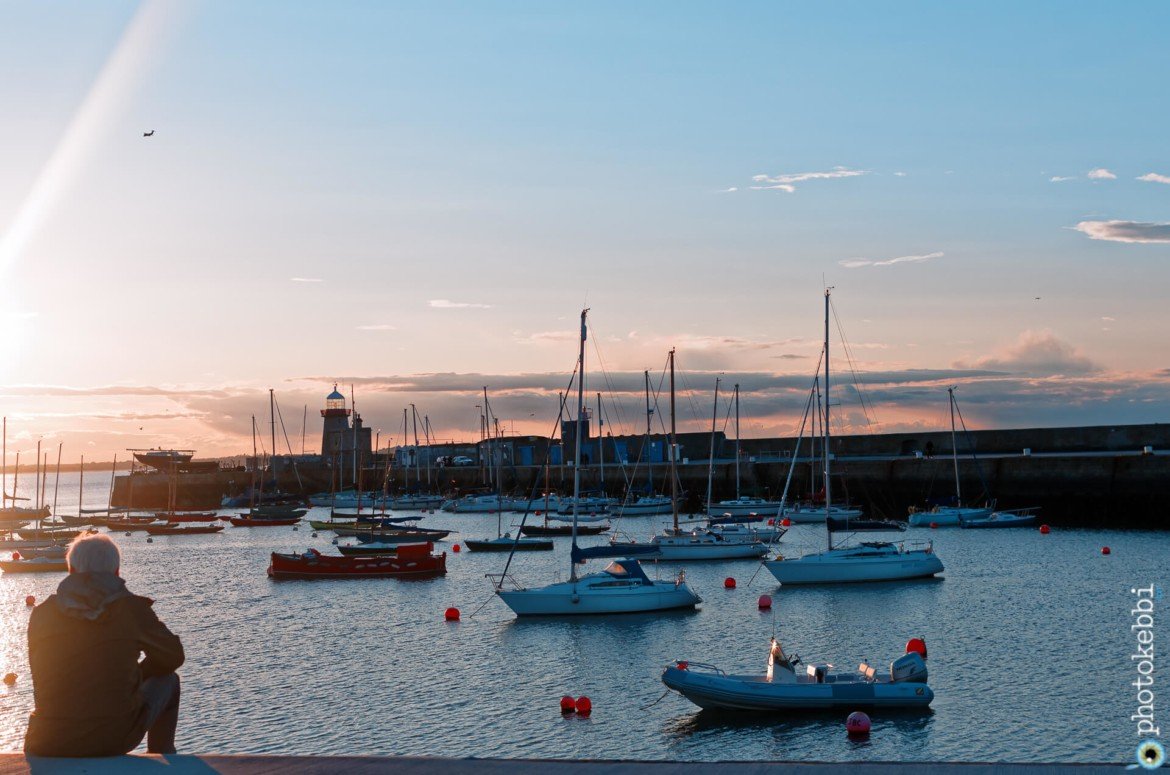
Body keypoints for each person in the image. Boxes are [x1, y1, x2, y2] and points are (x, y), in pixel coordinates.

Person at [25, 533, 184, 757]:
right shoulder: (130, 609)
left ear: (71, 570)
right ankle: (164, 758)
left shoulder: (42, 613)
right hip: (111, 740)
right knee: (169, 680)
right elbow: (173, 656)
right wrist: (139, 674)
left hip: (46, 741)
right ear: (117, 572)